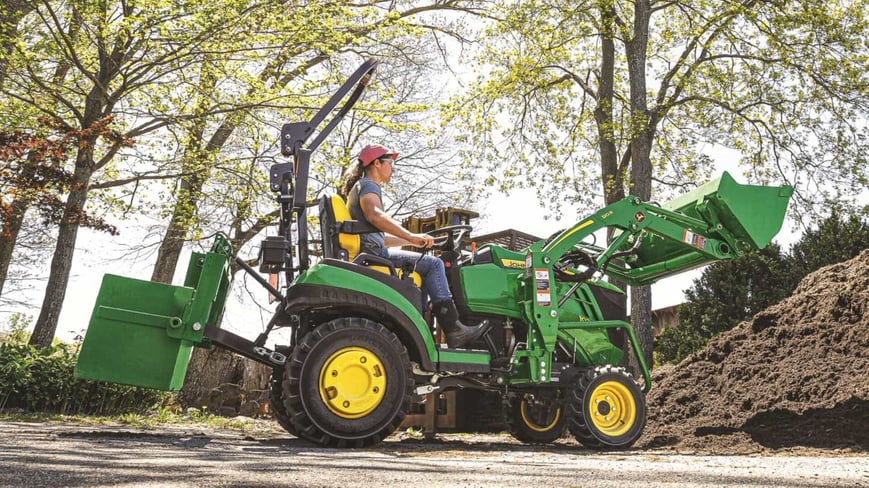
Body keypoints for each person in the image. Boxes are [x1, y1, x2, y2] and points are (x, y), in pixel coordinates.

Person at [341, 144, 488, 348]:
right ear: (377, 163)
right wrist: (410, 234)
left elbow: (377, 236)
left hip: (372, 251)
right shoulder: (368, 185)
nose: (393, 168)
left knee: (425, 266)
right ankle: (454, 329)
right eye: (390, 163)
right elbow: (375, 215)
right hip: (374, 255)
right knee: (434, 265)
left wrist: (413, 240)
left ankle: (421, 327)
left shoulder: (359, 188)